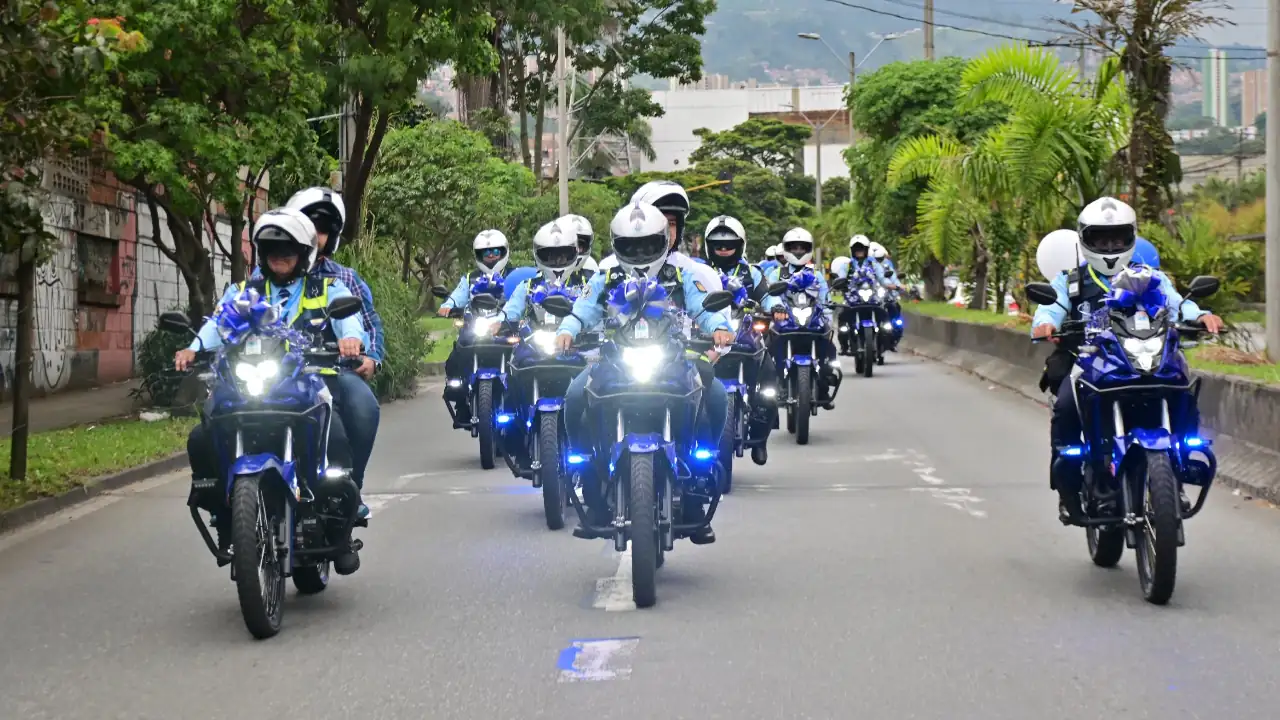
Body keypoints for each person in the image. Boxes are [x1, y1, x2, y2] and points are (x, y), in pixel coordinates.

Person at [177, 209, 369, 569]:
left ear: (304, 254)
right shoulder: (243, 291)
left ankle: (336, 523)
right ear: (261, 255)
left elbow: (350, 320)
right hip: (248, 383)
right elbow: (218, 323)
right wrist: (193, 349)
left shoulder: (327, 288)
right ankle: (224, 515)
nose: (279, 259)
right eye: (271, 251)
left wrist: (352, 340)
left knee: (338, 438)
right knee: (201, 438)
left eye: (287, 252)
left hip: (308, 380)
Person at [1030, 197, 1224, 523]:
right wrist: (1045, 324)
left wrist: (1201, 316)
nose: (1110, 246)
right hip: (1093, 362)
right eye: (1101, 239)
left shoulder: (1151, 278)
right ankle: (1068, 482)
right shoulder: (1071, 280)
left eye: (1118, 238)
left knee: (1183, 385)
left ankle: (1181, 462)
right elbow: (1050, 308)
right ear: (1085, 239)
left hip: (1146, 359)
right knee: (1064, 406)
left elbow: (1178, 304)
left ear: (1131, 237)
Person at [555, 201, 734, 544]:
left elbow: (703, 309)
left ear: (663, 241)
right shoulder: (606, 276)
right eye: (630, 246)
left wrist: (719, 328)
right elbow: (582, 310)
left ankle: (697, 487)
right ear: (616, 245)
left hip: (673, 359)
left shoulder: (680, 276)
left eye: (646, 245)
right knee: (575, 397)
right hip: (614, 361)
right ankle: (591, 486)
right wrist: (568, 330)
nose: (639, 253)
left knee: (716, 395)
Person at [282, 187, 383, 498]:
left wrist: (371, 357)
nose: (316, 235)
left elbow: (368, 323)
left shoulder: (345, 279)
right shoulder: (265, 276)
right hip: (276, 373)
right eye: (308, 225)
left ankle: (350, 487)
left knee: (363, 406)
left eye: (323, 230)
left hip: (333, 371)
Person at [499, 218, 595, 465]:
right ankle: (515, 439)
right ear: (538, 256)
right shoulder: (527, 286)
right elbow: (510, 311)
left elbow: (598, 312)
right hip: (534, 350)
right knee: (509, 383)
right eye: (550, 255)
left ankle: (589, 447)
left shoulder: (588, 285)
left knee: (595, 390)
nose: (558, 261)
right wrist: (497, 322)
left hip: (576, 351)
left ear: (575, 253)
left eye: (563, 254)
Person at [704, 215, 781, 465]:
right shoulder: (700, 271)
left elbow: (767, 297)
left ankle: (760, 440)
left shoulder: (753, 272)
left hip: (746, 335)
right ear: (708, 245)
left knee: (769, 383)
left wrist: (777, 306)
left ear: (741, 245)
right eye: (717, 244)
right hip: (708, 339)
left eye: (729, 244)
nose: (723, 249)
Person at [439, 229, 513, 417]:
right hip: (475, 326)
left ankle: (518, 396)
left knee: (523, 354)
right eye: (485, 252)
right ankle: (460, 396)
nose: (490, 255)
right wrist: (448, 306)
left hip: (505, 328)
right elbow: (457, 297)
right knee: (457, 353)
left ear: (504, 252)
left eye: (495, 251)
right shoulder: (470, 278)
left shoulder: (514, 277)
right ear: (477, 255)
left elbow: (523, 297)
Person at [766, 227, 842, 407]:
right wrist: (775, 308)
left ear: (808, 249)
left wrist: (828, 314)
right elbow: (770, 294)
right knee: (768, 349)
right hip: (785, 322)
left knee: (829, 347)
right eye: (794, 247)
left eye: (802, 247)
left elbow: (825, 297)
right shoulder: (776, 274)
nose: (798, 251)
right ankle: (772, 384)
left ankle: (823, 384)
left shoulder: (816, 274)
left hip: (812, 321)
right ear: (786, 249)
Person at [869, 241, 905, 351]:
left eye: (880, 258)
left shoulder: (887, 264)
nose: (878, 261)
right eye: (876, 259)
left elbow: (893, 277)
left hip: (886, 294)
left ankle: (894, 337)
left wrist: (899, 286)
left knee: (896, 310)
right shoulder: (866, 266)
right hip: (871, 298)